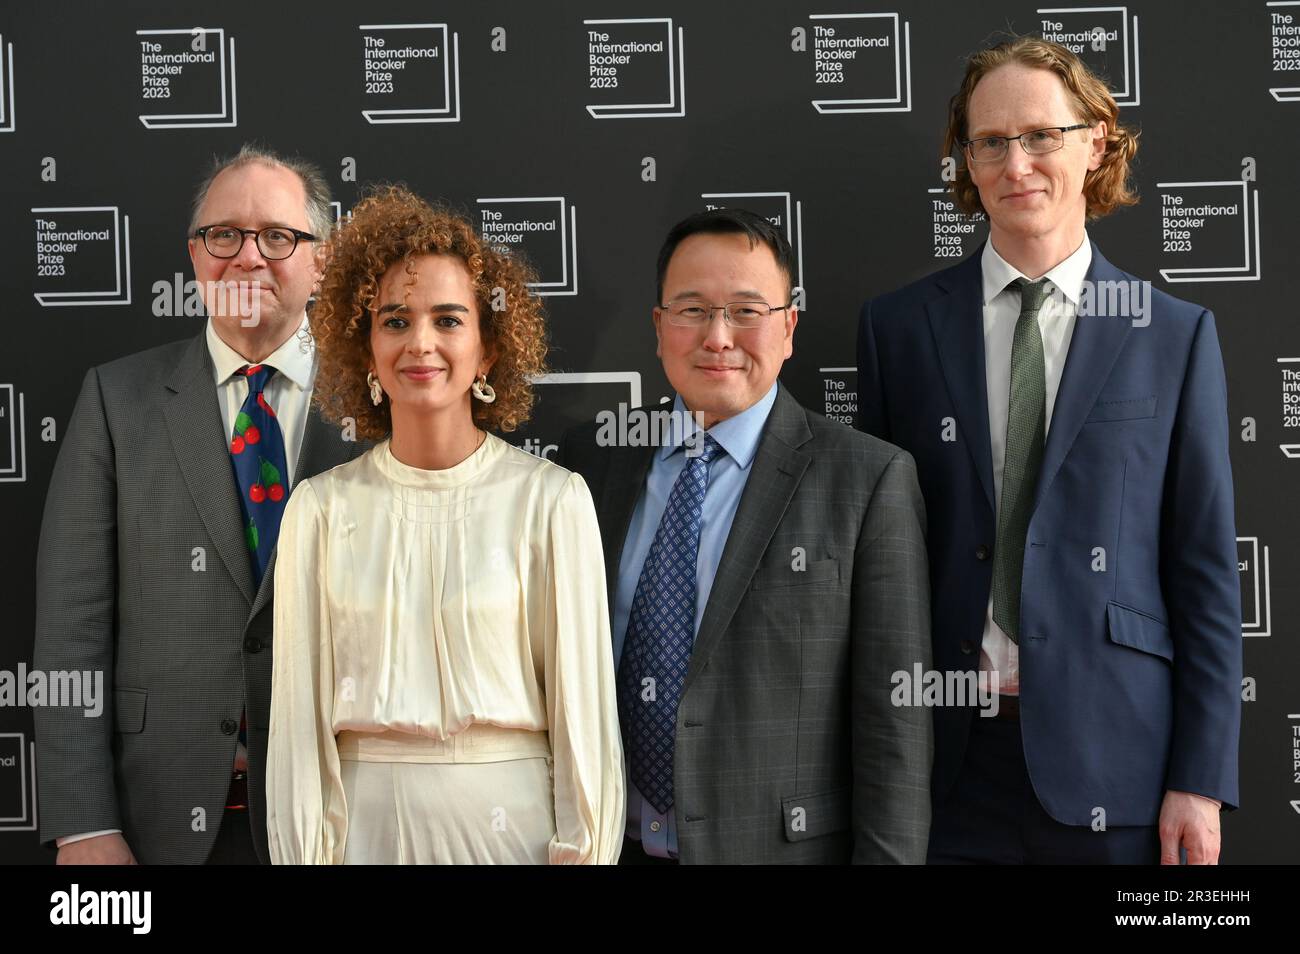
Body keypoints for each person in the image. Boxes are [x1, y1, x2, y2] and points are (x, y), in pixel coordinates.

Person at [857, 37, 1242, 864]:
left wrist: (1200, 780)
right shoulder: (897, 332)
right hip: (943, 769)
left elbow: (1206, 572)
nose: (1015, 163)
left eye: (1041, 136)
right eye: (989, 142)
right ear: (967, 160)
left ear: (1094, 141)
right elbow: (878, 564)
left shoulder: (1173, 337)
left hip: (1121, 764)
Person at [558, 208, 932, 864]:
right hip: (603, 845)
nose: (718, 336)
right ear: (658, 326)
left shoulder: (868, 480)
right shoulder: (590, 461)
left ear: (788, 327)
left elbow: (894, 737)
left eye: (746, 311)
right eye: (692, 309)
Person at [266, 186, 624, 865]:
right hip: (364, 840)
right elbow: (297, 736)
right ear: (365, 349)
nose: (420, 343)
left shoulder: (552, 503)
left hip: (513, 836)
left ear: (488, 350)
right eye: (395, 321)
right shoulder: (318, 511)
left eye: (449, 320)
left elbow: (586, 724)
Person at [33, 144, 363, 864]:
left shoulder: (382, 401)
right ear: (194, 255)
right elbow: (71, 630)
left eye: (278, 236)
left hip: (349, 818)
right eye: (224, 235)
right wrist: (84, 826)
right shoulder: (117, 402)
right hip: (161, 826)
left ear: (322, 262)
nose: (248, 258)